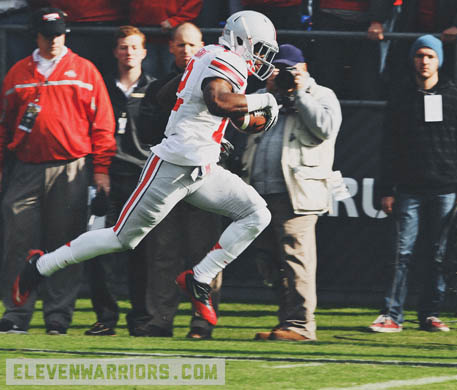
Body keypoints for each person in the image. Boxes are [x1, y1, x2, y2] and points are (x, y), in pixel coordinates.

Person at [11, 10, 280, 329]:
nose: (262, 57)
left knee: (257, 214)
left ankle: (199, 278)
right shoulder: (227, 60)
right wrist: (262, 102)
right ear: (241, 40)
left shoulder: (208, 53)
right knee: (120, 238)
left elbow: (165, 96)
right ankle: (39, 265)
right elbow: (218, 102)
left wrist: (205, 132)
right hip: (174, 165)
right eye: (260, 48)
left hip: (201, 166)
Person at [0, 7, 115, 335]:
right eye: (48, 35)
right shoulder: (17, 74)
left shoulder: (85, 70)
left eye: (59, 34)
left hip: (71, 168)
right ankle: (16, 313)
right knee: (16, 243)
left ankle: (58, 316)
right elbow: (4, 127)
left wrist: (101, 171)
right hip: (25, 168)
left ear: (66, 34)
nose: (54, 41)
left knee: (64, 245)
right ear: (35, 35)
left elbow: (103, 125)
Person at [370, 35, 457, 333]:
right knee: (400, 253)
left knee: (439, 254)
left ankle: (430, 314)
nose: (424, 61)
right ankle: (392, 315)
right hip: (408, 190)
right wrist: (386, 190)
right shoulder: (401, 97)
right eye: (420, 56)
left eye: (430, 56)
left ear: (439, 59)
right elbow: (388, 148)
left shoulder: (456, 98)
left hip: (445, 189)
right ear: (413, 59)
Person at [242, 44, 342, 341]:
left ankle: (301, 325)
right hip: (260, 191)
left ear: (304, 69)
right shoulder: (267, 97)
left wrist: (298, 93)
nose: (285, 74)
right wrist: (270, 93)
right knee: (270, 262)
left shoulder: (321, 95)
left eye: (291, 69)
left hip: (297, 192)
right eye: (279, 69)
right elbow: (244, 126)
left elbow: (324, 128)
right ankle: (286, 322)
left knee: (296, 259)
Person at [135, 22, 224, 340]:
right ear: (170, 48)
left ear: (203, 47)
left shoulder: (220, 85)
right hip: (168, 181)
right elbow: (146, 133)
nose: (186, 51)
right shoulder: (161, 87)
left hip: (204, 181)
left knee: (205, 253)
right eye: (180, 45)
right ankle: (160, 319)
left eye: (192, 45)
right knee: (163, 252)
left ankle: (202, 322)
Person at [83, 25, 155, 337]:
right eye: (123, 47)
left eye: (134, 47)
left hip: (141, 180)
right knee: (98, 250)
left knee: (141, 253)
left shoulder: (155, 90)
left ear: (144, 52)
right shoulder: (100, 87)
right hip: (105, 178)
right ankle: (105, 317)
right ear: (115, 52)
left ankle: (140, 318)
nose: (128, 52)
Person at [129, 0, 203, 78]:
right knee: (145, 80)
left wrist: (175, 21)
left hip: (176, 37)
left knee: (175, 78)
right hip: (144, 35)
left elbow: (193, 4)